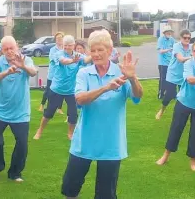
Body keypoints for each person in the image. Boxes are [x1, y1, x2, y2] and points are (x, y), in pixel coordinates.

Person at [61, 29, 143, 198]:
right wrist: (106, 87)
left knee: (106, 193)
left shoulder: (122, 72)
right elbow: (80, 99)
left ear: (110, 51)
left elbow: (137, 96)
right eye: (93, 50)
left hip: (111, 143)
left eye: (101, 49)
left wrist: (133, 78)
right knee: (70, 187)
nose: (96, 54)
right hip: (84, 141)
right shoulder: (84, 73)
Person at [155, 40, 195, 171]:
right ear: (192, 52)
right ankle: (166, 155)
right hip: (184, 101)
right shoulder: (188, 63)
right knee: (176, 129)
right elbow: (190, 80)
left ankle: (193, 162)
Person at [0, 36, 37, 182]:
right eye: (6, 49)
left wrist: (22, 66)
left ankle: (15, 173)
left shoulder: (25, 59)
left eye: (11, 48)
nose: (9, 51)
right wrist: (6, 72)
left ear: (17, 47)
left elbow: (33, 72)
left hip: (20, 112)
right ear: (2, 50)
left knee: (22, 144)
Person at [34, 35, 91, 140]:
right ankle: (39, 131)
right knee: (49, 113)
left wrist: (95, 54)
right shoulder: (59, 53)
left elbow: (86, 60)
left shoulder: (78, 55)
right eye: (65, 45)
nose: (67, 47)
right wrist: (73, 61)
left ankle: (70, 134)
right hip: (57, 89)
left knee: (73, 114)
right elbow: (63, 61)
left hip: (71, 91)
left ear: (73, 45)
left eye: (69, 45)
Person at [155, 30, 192, 120]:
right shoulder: (176, 46)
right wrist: (193, 57)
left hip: (184, 75)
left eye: (188, 38)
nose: (187, 39)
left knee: (184, 95)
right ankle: (162, 110)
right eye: (185, 38)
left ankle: (181, 114)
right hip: (173, 74)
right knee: (170, 94)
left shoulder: (192, 47)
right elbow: (180, 59)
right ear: (180, 38)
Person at [39, 32, 65, 113]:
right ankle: (42, 105)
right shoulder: (52, 50)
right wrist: (63, 60)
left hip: (62, 74)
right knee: (48, 90)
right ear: (56, 40)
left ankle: (59, 108)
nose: (59, 40)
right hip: (52, 74)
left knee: (61, 91)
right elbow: (54, 59)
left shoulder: (65, 49)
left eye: (61, 38)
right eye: (58, 38)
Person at [157, 26, 175, 99]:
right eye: (167, 31)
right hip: (163, 63)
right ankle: (161, 94)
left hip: (170, 62)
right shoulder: (161, 39)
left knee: (171, 78)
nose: (169, 33)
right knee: (163, 79)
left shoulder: (172, 39)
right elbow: (160, 51)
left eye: (170, 31)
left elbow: (175, 48)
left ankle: (172, 94)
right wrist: (169, 49)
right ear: (164, 33)